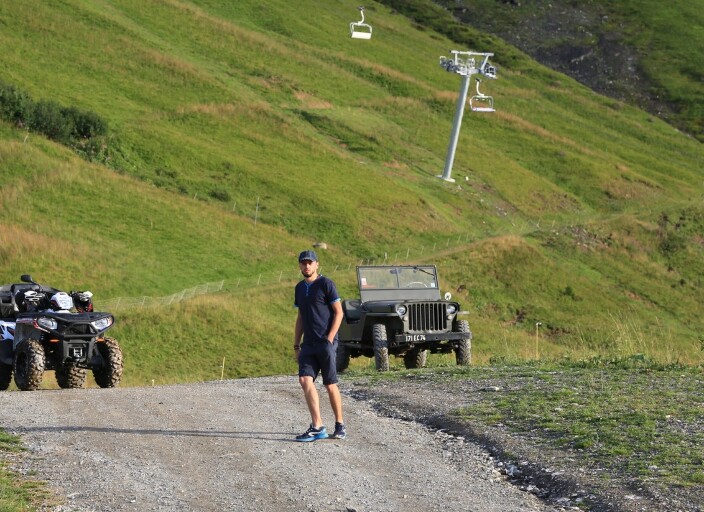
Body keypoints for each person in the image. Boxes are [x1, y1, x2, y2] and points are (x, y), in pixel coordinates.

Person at [293, 250, 346, 441]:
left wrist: (330, 338)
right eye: (303, 263)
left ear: (317, 265)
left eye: (310, 263)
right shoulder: (299, 288)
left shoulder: (326, 284)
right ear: (299, 266)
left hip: (325, 343)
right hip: (308, 344)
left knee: (330, 384)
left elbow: (339, 313)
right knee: (305, 380)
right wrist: (296, 345)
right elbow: (300, 317)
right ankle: (318, 426)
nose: (306, 266)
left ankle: (339, 424)